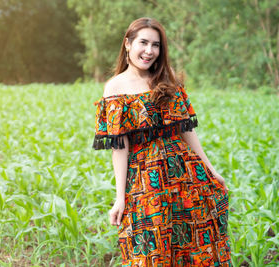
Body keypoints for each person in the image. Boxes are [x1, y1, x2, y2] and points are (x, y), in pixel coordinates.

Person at [92, 17, 232, 266]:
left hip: (183, 174)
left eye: (155, 45)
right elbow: (119, 147)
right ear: (127, 44)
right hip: (146, 181)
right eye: (143, 43)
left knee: (192, 243)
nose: (149, 51)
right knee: (150, 249)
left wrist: (211, 169)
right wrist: (120, 197)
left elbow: (186, 131)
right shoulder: (115, 88)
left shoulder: (167, 80)